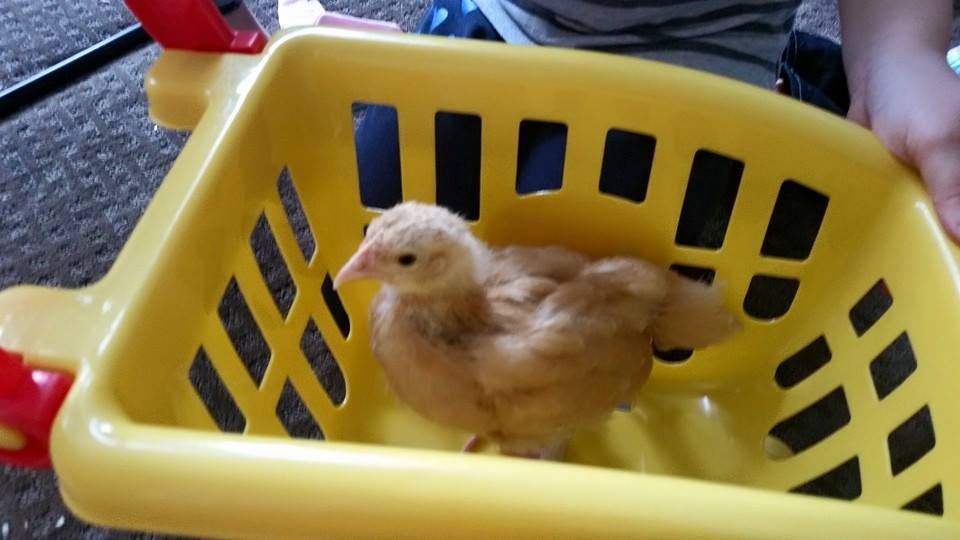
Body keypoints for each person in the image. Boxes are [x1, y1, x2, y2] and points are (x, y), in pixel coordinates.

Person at [355, 0, 960, 241]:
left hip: (691, 56)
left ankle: (791, 94)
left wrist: (897, 51)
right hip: (502, 12)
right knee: (373, 227)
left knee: (579, 298)